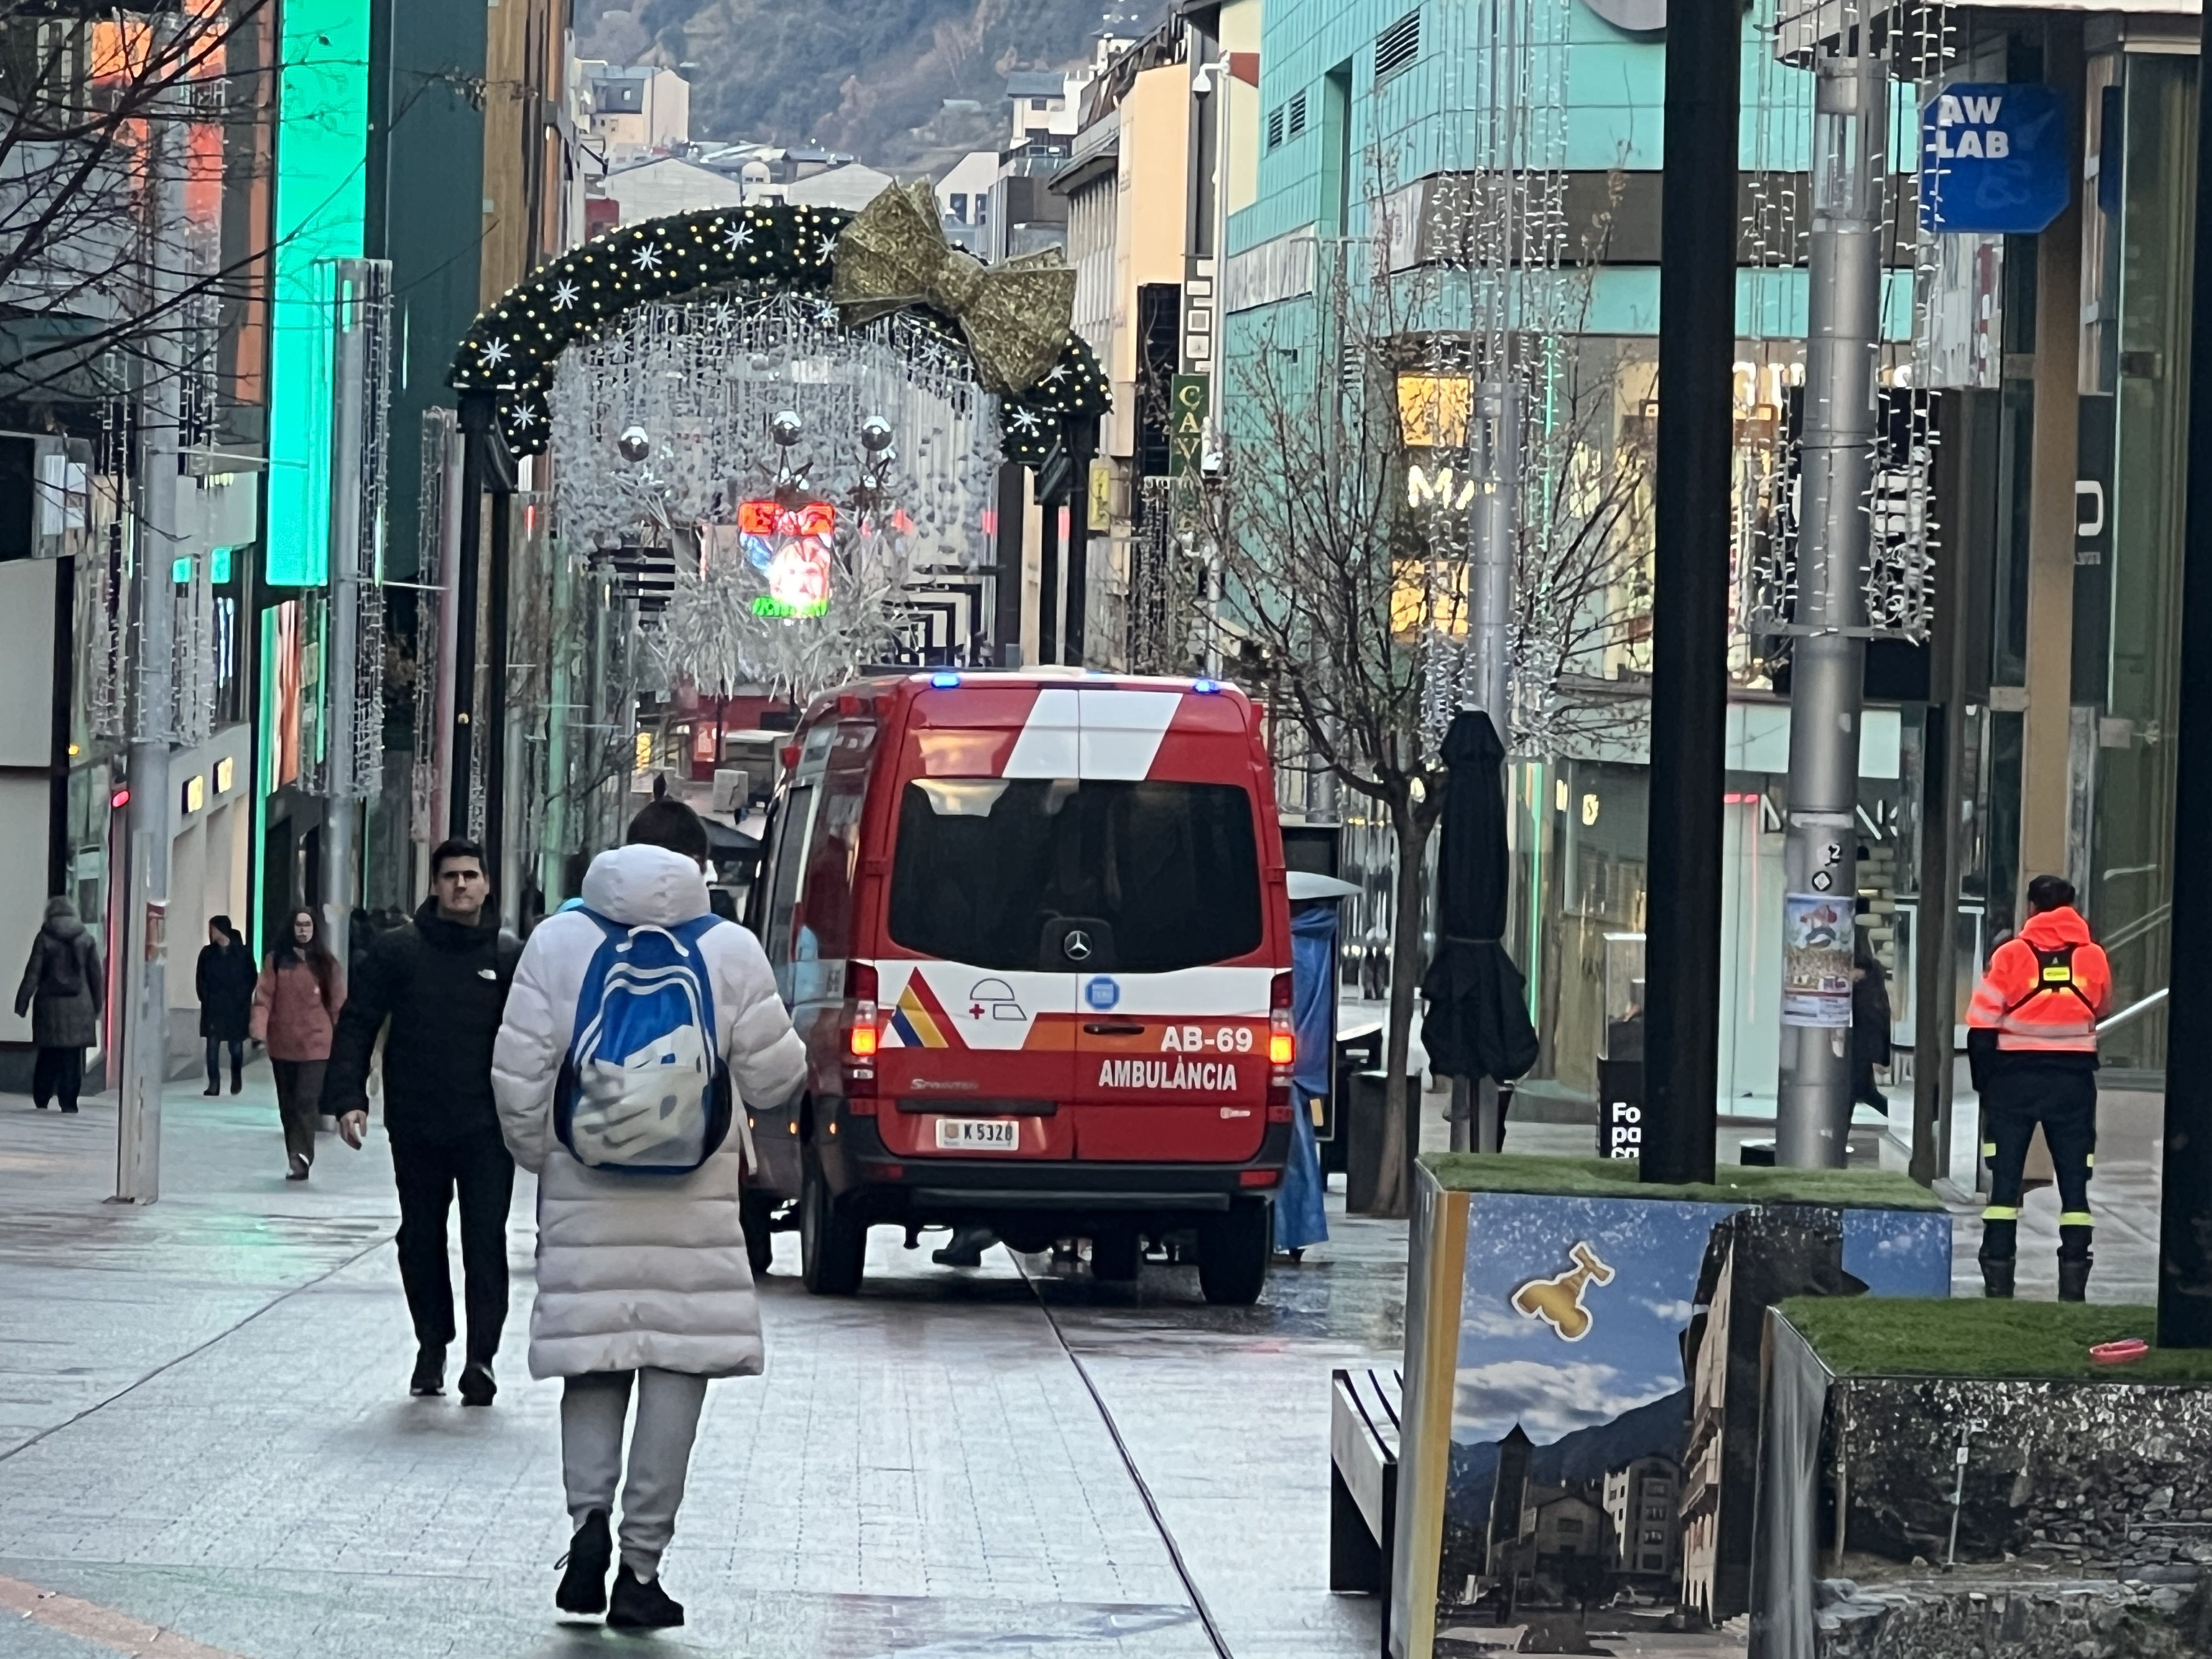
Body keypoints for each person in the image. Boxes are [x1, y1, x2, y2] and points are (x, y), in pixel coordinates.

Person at [493, 799, 805, 1630]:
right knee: (675, 1371)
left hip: (585, 1196)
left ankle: (587, 1525)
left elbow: (517, 1075)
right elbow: (777, 1080)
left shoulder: (558, 942)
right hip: (694, 1210)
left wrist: (544, 1154)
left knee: (594, 1363)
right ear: (699, 864)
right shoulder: (730, 948)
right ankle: (640, 1569)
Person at [324, 838, 522, 1404]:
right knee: (420, 1238)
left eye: (471, 876)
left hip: (487, 1129)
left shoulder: (509, 957)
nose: (461, 885)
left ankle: (481, 1359)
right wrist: (350, 1097)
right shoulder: (399, 951)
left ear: (486, 884)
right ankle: (432, 1345)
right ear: (434, 886)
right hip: (416, 1124)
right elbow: (358, 1022)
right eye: (450, 876)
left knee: (485, 1240)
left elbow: (537, 1038)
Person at [1966, 873, 2111, 1302]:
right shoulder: (2093, 957)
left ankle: (1998, 1276)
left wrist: (1986, 1084)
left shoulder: (2011, 955)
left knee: (2005, 1184)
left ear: (2031, 907)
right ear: (2072, 907)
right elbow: (2101, 1007)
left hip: (2014, 1082)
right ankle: (2073, 1282)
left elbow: (1981, 1024)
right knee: (2075, 1186)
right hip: (2073, 1083)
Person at [252, 910, 345, 1178]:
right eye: (299, 925)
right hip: (283, 1044)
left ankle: (301, 1156)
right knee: (288, 1103)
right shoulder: (277, 961)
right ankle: (295, 1152)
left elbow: (338, 1003)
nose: (303, 930)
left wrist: (345, 1040)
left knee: (306, 1100)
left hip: (317, 1044)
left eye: (308, 925)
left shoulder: (325, 963)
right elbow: (264, 998)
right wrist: (258, 1031)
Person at [15, 896, 101, 1113]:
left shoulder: (44, 938)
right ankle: (69, 1102)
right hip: (80, 1006)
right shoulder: (87, 939)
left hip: (49, 1008)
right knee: (72, 1058)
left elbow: (33, 973)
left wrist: (22, 1002)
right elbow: (96, 977)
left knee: (48, 1054)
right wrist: (97, 1006)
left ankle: (42, 1098)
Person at [197, 916, 256, 1096]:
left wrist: (243, 997)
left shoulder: (242, 953)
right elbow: (201, 978)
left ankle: (236, 1076)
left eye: (214, 929)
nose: (212, 933)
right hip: (214, 1007)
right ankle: (214, 1083)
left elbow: (251, 977)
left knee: (235, 1047)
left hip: (236, 1007)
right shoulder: (207, 953)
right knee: (212, 1046)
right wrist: (205, 998)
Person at [1849, 938, 1892, 1117]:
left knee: (1856, 1093)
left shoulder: (1864, 993)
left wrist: (1878, 1055)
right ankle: (1908, 1119)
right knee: (1864, 1093)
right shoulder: (1871, 986)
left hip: (1860, 1050)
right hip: (1861, 1050)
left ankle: (1908, 1119)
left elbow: (1873, 1024)